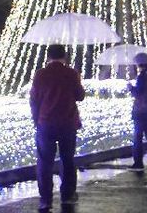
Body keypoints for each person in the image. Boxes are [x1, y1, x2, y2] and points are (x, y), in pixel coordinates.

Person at [29, 44, 85, 211]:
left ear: (48, 57)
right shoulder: (71, 73)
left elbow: (34, 99)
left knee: (45, 162)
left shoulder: (40, 74)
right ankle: (67, 195)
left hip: (46, 123)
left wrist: (37, 120)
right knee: (67, 160)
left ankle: (46, 199)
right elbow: (80, 96)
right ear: (64, 56)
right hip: (67, 123)